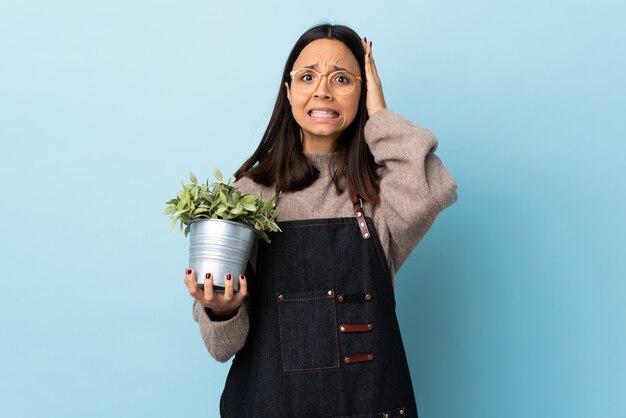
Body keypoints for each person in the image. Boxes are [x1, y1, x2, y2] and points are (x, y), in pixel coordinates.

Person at [183, 23, 458, 417]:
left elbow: (430, 191)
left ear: (362, 93)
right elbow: (221, 347)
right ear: (289, 91)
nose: (323, 90)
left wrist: (379, 116)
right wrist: (221, 310)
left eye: (342, 79)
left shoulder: (384, 195)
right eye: (308, 76)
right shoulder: (249, 195)